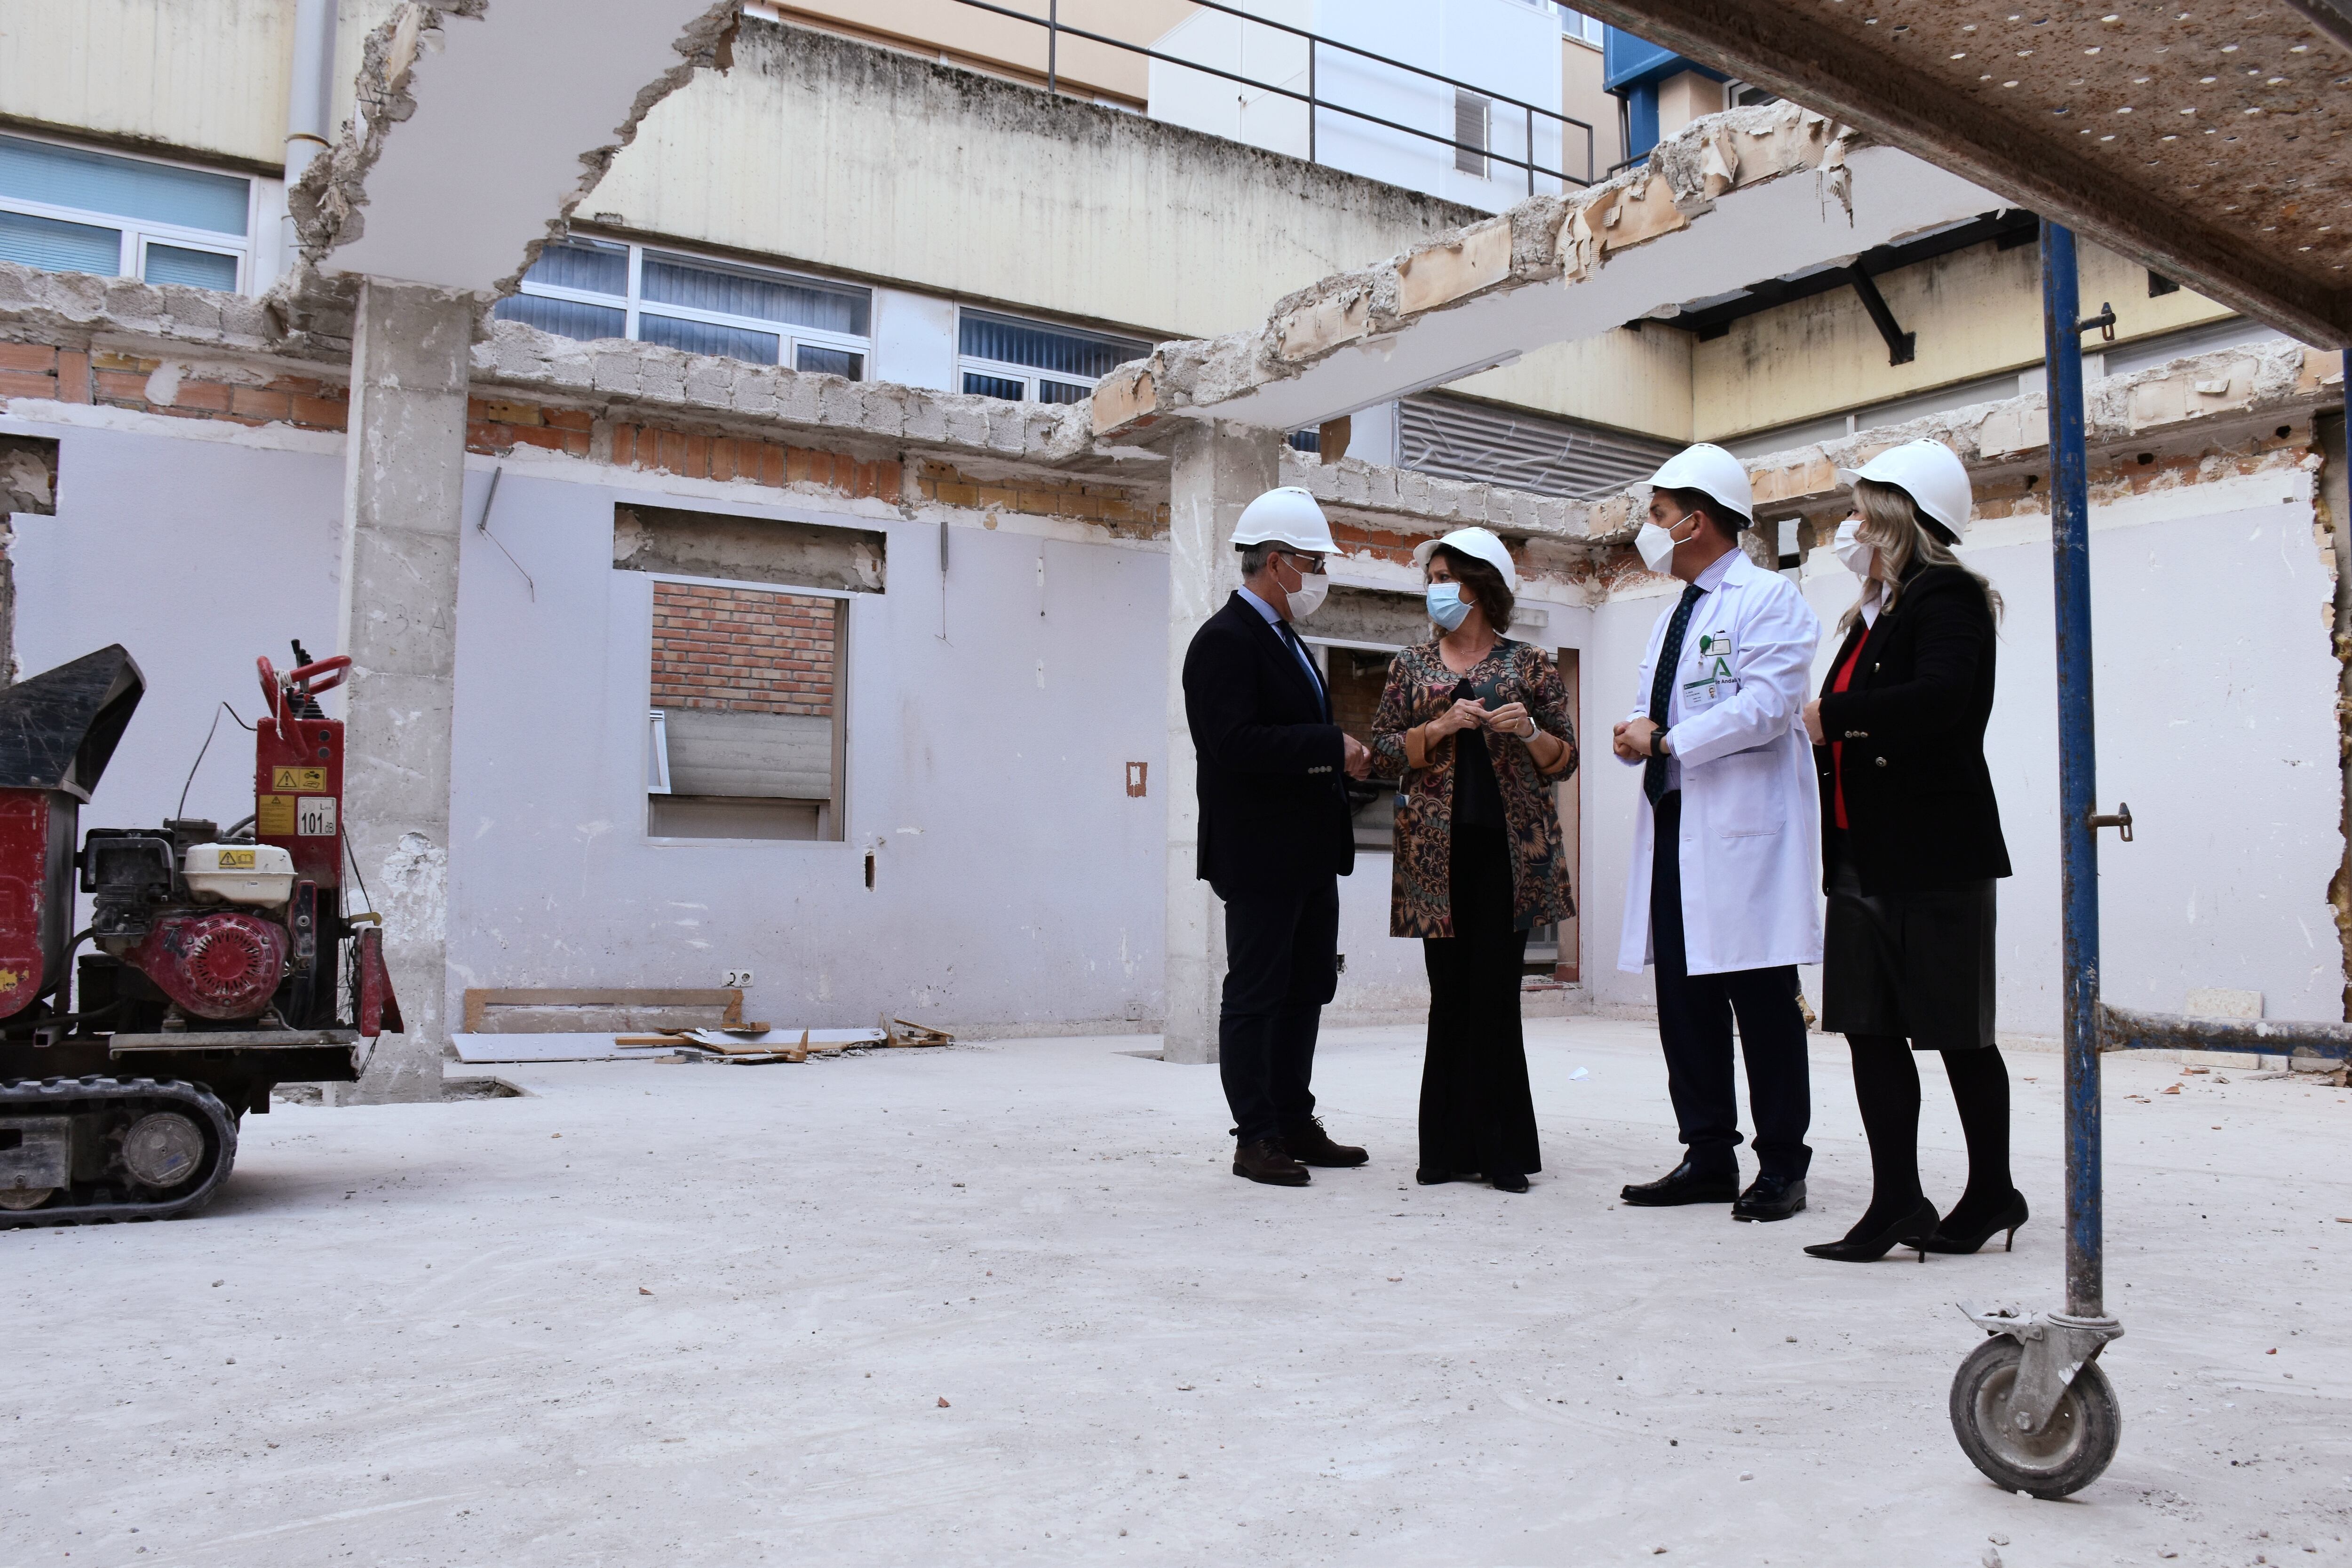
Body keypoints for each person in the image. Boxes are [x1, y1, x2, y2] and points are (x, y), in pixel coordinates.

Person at [1797, 440, 2021, 1262]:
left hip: (1934, 853)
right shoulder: (1878, 609)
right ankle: (1897, 1198)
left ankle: (1993, 1189)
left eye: (1862, 511)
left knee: (1958, 1032)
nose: (1850, 526)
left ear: (1896, 517)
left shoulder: (1949, 597)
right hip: (1861, 849)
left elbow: (1942, 698)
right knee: (1868, 1029)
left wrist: (1841, 718)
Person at [1611, 444, 1822, 1223]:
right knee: (1686, 1001)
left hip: (1743, 836)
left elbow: (1770, 705)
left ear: (1695, 520)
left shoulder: (1769, 600)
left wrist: (1667, 739)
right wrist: (1636, 730)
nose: (1650, 528)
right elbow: (1650, 703)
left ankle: (1782, 1166)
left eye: (1660, 516)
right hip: (1675, 823)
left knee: (1762, 1003)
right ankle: (1707, 1153)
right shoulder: (1675, 614)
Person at [1367, 528, 1578, 1194]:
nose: (1434, 589)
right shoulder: (1411, 666)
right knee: (1448, 999)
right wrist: (1440, 727)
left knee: (1496, 998)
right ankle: (1444, 1149)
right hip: (1434, 856)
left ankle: (1503, 1151)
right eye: (1429, 577)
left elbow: (1565, 759)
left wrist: (1529, 731)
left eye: (1445, 577)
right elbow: (1379, 753)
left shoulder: (1532, 664)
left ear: (1480, 587)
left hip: (1512, 856)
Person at [1181, 486, 1374, 1187]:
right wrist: (1329, 743)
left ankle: (1295, 1118)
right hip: (1260, 855)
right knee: (1258, 992)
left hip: (1307, 856)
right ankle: (1255, 1135)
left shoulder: (1284, 638)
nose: (1320, 574)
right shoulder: (1223, 641)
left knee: (1305, 988)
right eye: (1313, 562)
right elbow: (1232, 743)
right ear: (1277, 562)